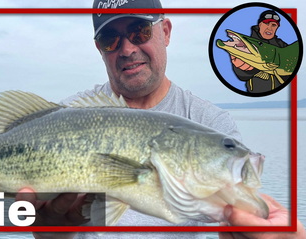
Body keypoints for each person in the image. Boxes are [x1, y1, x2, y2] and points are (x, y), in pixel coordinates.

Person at [17, 0, 305, 238]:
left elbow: (233, 218)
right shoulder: (66, 117)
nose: (127, 49)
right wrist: (51, 233)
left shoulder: (211, 122)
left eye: (139, 31)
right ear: (99, 48)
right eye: (110, 39)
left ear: (165, 31)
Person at [231, 10, 289, 93]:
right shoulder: (247, 44)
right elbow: (241, 76)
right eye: (266, 23)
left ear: (277, 27)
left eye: (274, 25)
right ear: (260, 24)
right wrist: (248, 69)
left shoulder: (283, 46)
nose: (269, 28)